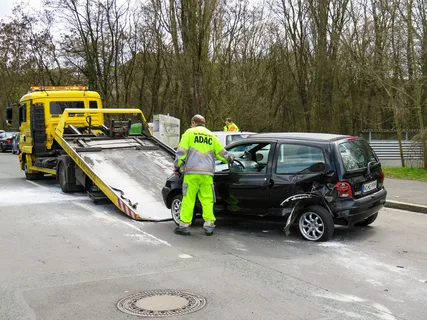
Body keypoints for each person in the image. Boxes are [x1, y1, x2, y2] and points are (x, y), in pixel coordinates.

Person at [174, 114, 234, 236]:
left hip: (192, 173)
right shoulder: (211, 136)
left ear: (194, 123)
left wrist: (177, 166)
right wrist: (230, 158)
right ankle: (209, 225)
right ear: (204, 123)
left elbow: (181, 152)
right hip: (207, 174)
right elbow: (222, 153)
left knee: (188, 199)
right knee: (207, 199)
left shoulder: (189, 133)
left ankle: (184, 226)